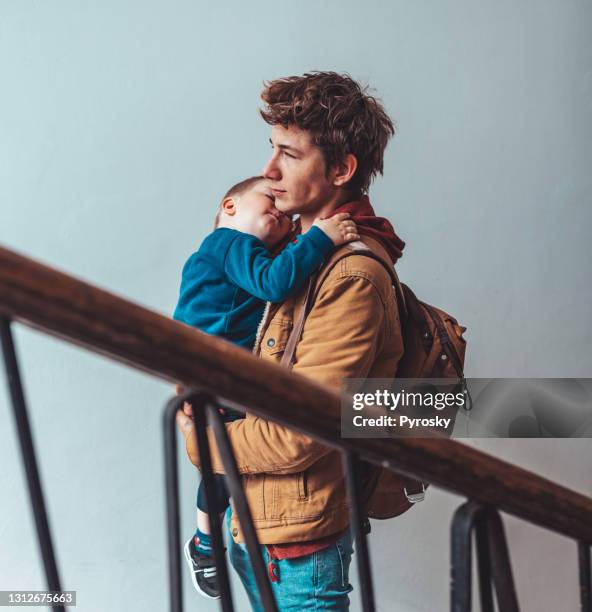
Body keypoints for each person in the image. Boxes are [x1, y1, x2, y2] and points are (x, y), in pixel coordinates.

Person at [177, 71, 406, 611]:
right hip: (260, 521)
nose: (268, 172)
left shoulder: (349, 275)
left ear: (341, 169)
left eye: (289, 154)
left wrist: (196, 439)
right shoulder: (299, 252)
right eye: (270, 150)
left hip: (298, 551)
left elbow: (306, 430)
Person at [173, 175, 359, 599]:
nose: (279, 208)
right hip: (216, 379)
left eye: (286, 213)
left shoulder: (238, 256)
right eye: (268, 199)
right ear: (230, 207)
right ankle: (204, 542)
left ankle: (205, 542)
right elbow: (275, 282)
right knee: (221, 457)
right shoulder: (229, 244)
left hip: (215, 381)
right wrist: (318, 237)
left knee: (223, 461)